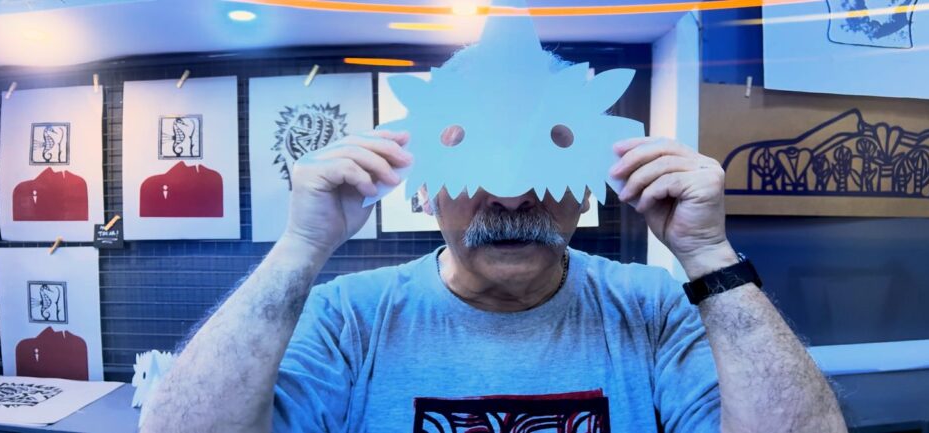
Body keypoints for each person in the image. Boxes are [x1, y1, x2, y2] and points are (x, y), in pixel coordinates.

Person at [140, 120, 846, 431]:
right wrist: (301, 245)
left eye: (546, 160)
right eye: (473, 162)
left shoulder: (653, 307)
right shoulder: (348, 317)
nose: (510, 197)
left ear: (589, 187)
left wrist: (709, 255)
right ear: (422, 190)